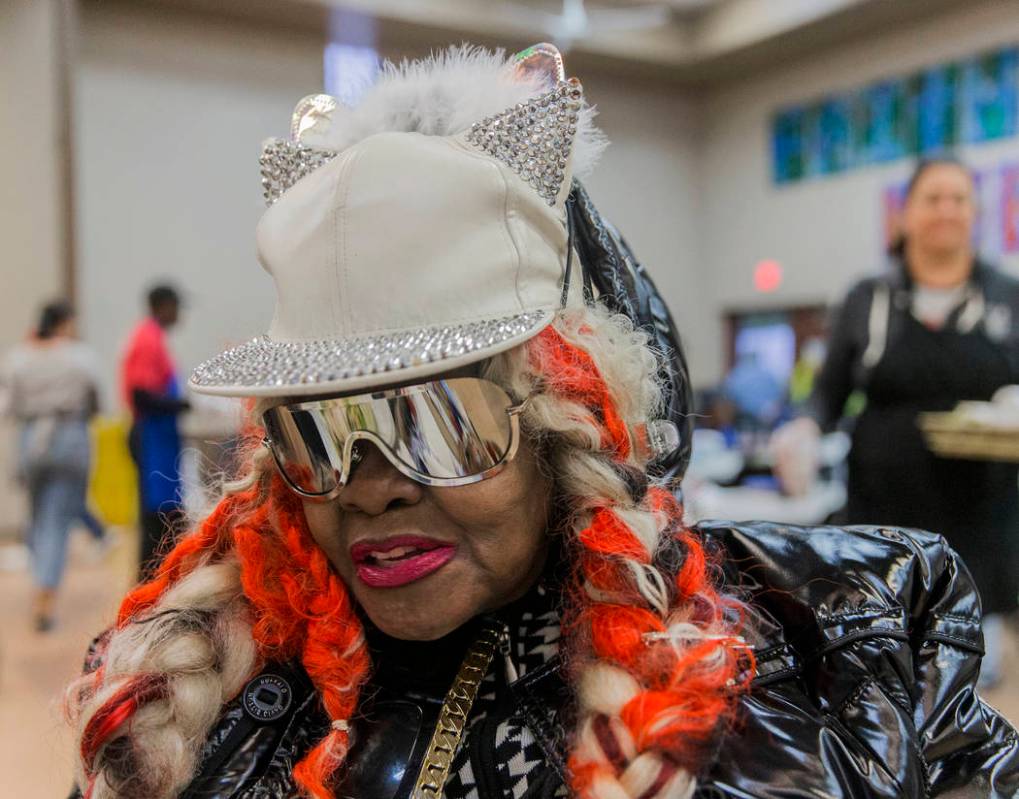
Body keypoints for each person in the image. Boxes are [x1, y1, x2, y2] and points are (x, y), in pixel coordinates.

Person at [66, 47, 1018, 799]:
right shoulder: (179, 705)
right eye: (318, 433)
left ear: (570, 432)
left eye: (440, 420)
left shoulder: (838, 657)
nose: (370, 484)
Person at [776, 156, 1019, 686]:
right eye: (933, 198)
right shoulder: (869, 298)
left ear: (975, 212)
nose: (947, 210)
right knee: (887, 674)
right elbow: (827, 395)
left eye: (959, 198)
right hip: (886, 516)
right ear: (904, 215)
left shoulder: (1007, 296)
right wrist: (803, 431)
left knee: (971, 685)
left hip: (983, 520)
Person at [3, 301, 98, 631]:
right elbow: (95, 400)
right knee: (57, 519)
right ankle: (45, 596)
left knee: (38, 515)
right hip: (69, 436)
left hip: (32, 438)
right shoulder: (78, 356)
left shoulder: (19, 357)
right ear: (64, 323)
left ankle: (40, 580)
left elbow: (8, 405)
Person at [120, 283, 190, 578]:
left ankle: (160, 580)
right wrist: (180, 404)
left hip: (160, 438)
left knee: (167, 516)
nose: (179, 314)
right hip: (151, 438)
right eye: (176, 307)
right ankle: (147, 585)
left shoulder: (154, 338)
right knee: (156, 520)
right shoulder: (147, 339)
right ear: (164, 306)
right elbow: (141, 395)